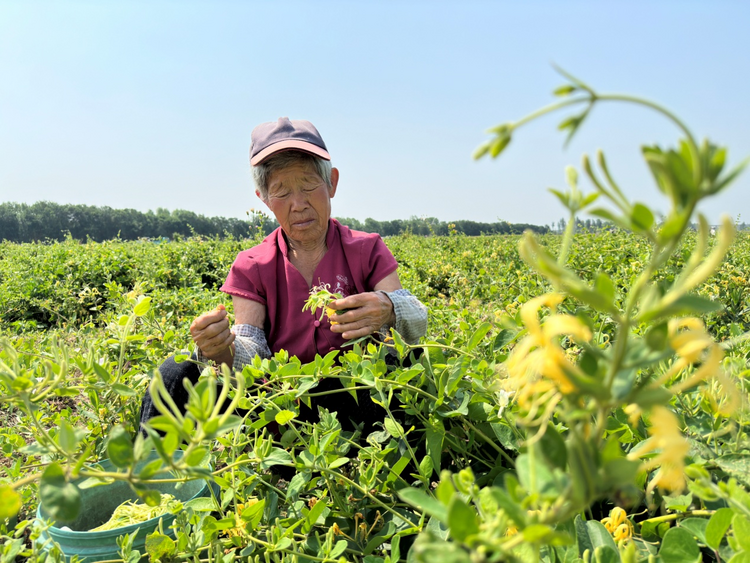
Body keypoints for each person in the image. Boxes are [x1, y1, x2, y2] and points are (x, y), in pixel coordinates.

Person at [139, 117, 427, 433]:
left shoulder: (366, 248)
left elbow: (415, 320)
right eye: (281, 191)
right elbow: (253, 349)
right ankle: (157, 476)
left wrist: (388, 309)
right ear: (263, 198)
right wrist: (223, 349)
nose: (298, 204)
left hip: (361, 393)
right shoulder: (252, 264)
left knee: (401, 362)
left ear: (331, 182)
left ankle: (400, 464)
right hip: (282, 403)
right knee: (176, 371)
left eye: (308, 185)